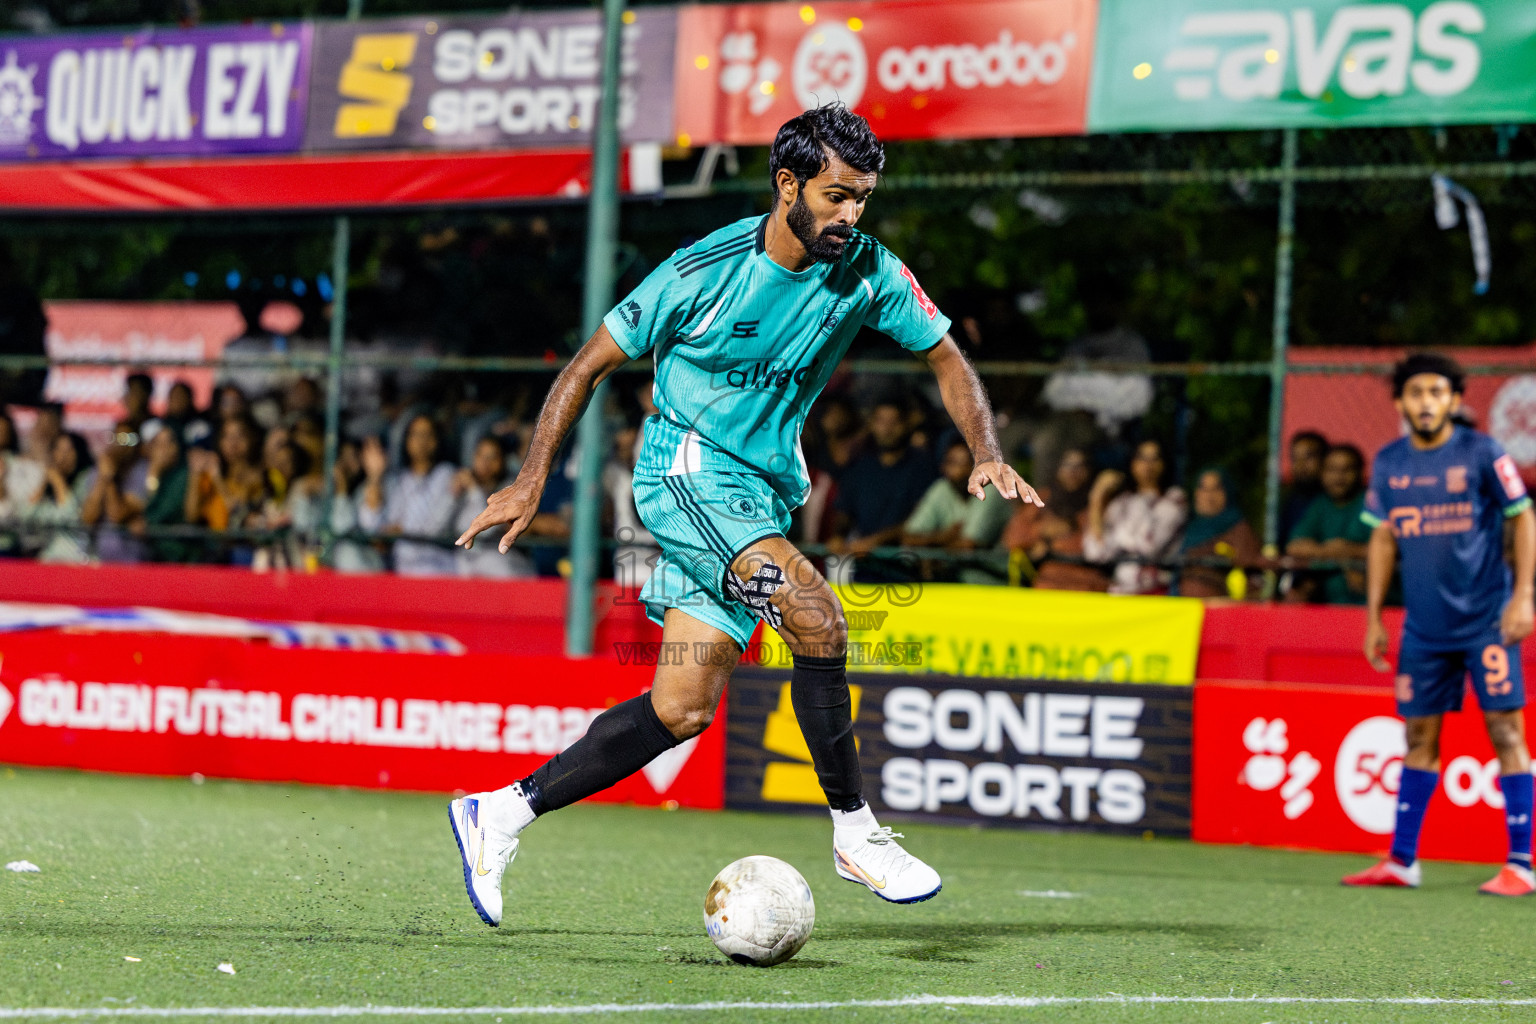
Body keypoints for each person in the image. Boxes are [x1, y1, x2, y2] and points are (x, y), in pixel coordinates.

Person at [451, 103, 1040, 925]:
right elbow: (587, 364)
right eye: (836, 195)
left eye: (863, 197)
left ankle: (498, 813)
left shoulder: (868, 268)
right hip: (684, 474)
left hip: (757, 494)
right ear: (787, 182)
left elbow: (945, 353)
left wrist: (985, 449)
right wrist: (529, 478)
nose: (850, 215)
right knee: (818, 620)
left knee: (682, 709)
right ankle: (856, 833)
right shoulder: (701, 271)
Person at [1343, 354, 1536, 897]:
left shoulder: (1482, 453)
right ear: (1400, 401)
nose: (1426, 402)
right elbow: (1381, 537)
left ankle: (1521, 864)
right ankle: (1403, 860)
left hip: (1487, 621)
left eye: (1436, 392)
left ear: (1453, 399)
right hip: (1424, 628)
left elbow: (1523, 516)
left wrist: (1523, 597)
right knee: (1418, 737)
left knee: (1506, 731)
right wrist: (1375, 617)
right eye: (1415, 392)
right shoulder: (1388, 463)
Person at [827, 397, 935, 579]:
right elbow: (845, 512)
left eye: (894, 422)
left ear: (906, 424)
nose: (887, 428)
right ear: (871, 424)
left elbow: (921, 520)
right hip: (865, 569)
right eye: (881, 421)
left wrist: (876, 541)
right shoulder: (860, 467)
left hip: (907, 569)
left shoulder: (922, 467)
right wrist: (838, 535)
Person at [1083, 439, 1188, 595]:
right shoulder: (1121, 502)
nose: (1148, 465)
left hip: (1157, 592)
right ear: (1132, 463)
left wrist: (1118, 538)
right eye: (1142, 458)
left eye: (1155, 459)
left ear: (1164, 464)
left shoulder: (1174, 499)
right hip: (1121, 592)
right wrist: (1097, 497)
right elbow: (1096, 552)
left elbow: (1148, 546)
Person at [901, 439, 1013, 582]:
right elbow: (908, 538)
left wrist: (929, 547)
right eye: (952, 462)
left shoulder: (992, 491)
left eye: (965, 463)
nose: (959, 469)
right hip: (951, 584)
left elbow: (967, 546)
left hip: (991, 584)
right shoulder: (942, 489)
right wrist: (942, 538)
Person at [359, 415, 457, 577]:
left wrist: (400, 531)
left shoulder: (447, 474)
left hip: (439, 568)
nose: (421, 441)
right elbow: (371, 525)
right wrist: (375, 476)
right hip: (403, 570)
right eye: (415, 434)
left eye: (427, 434)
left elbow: (434, 527)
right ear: (406, 441)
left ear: (436, 441)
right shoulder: (398, 480)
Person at [1001, 446, 1107, 592]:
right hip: (1049, 582)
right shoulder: (1042, 498)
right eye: (1067, 465)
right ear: (1057, 468)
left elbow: (1102, 547)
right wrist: (1040, 533)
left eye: (1080, 466)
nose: (1073, 471)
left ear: (1089, 470)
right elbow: (1012, 537)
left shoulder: (1098, 502)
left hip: (1088, 583)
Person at [1285, 444, 1371, 605]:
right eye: (1332, 470)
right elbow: (1295, 546)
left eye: (1347, 470)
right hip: (1328, 605)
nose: (1339, 477)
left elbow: (1388, 547)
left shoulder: (1371, 503)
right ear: (1322, 473)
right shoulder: (1320, 505)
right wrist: (1339, 554)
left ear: (1360, 472)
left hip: (1370, 603)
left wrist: (1347, 551)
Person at [454, 434, 534, 579]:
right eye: (481, 456)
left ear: (503, 460)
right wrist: (452, 495)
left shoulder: (512, 487)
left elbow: (484, 531)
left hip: (504, 562)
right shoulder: (461, 484)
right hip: (466, 560)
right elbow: (447, 526)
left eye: (492, 457)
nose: (486, 463)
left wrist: (473, 490)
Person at [1174, 468, 1260, 599]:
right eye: (1204, 489)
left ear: (1227, 493)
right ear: (1196, 493)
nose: (1209, 496)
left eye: (1216, 489)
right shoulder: (1187, 527)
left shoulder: (1238, 528)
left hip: (1221, 612)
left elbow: (1253, 579)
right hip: (1183, 610)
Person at [22, 431, 92, 564]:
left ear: (79, 453)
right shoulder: (48, 484)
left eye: (69, 450)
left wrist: (58, 480)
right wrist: (44, 483)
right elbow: (25, 515)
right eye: (58, 449)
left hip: (79, 559)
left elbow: (69, 515)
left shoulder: (86, 479)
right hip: (48, 558)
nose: (63, 456)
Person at [1280, 430, 1327, 546]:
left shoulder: (1335, 501)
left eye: (1309, 457)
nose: (1301, 465)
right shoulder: (1288, 501)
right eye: (1295, 458)